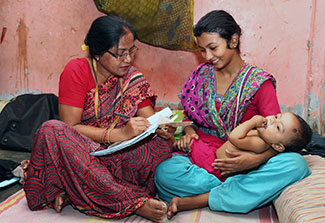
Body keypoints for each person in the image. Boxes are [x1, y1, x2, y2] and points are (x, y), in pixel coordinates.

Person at [154, 10, 311, 219]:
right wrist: (190, 133)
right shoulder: (200, 75)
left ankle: (203, 198)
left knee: (296, 165)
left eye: (213, 48)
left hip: (246, 160)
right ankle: (238, 192)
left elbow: (277, 138)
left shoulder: (259, 83)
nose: (208, 57)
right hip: (203, 160)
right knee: (165, 173)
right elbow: (190, 118)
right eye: (202, 50)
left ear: (234, 40)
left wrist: (252, 161)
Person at [23, 15, 175, 223]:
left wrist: (163, 128)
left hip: (117, 158)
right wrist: (118, 133)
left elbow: (151, 121)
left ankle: (80, 194)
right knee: (51, 130)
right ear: (97, 53)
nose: (128, 60)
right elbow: (70, 127)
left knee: (161, 143)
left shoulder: (131, 77)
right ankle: (132, 201)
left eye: (131, 51)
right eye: (120, 54)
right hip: (82, 157)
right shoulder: (76, 70)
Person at [188, 112, 312, 180]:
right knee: (196, 143)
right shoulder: (260, 134)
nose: (272, 120)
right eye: (276, 116)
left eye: (278, 127)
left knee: (194, 145)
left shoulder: (261, 144)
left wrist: (252, 122)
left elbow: (234, 137)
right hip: (213, 157)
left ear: (278, 146)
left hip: (213, 167)